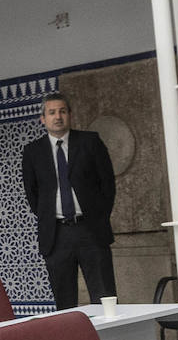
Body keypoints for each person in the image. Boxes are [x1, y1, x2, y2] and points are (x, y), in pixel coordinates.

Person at [21, 91, 117, 310]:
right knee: (65, 302)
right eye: (52, 112)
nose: (58, 117)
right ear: (42, 119)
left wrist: (99, 217)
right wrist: (49, 218)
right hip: (56, 235)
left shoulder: (90, 142)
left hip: (90, 229)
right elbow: (32, 193)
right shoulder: (32, 152)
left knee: (104, 296)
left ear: (70, 115)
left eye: (62, 111)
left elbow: (108, 184)